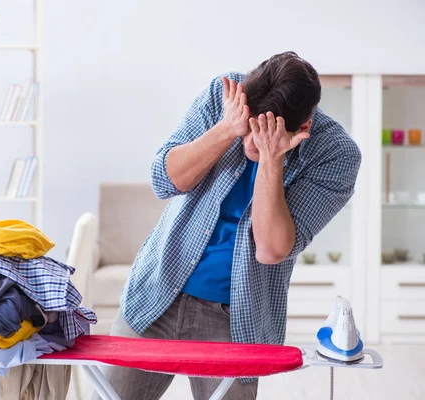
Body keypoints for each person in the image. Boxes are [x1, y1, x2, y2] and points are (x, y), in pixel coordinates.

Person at [93, 51, 361, 400]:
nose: (249, 142)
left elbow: (270, 249)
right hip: (157, 292)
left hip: (235, 320)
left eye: (262, 135)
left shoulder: (336, 155)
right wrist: (226, 128)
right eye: (247, 129)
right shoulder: (226, 96)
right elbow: (164, 181)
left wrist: (271, 159)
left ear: (304, 127)